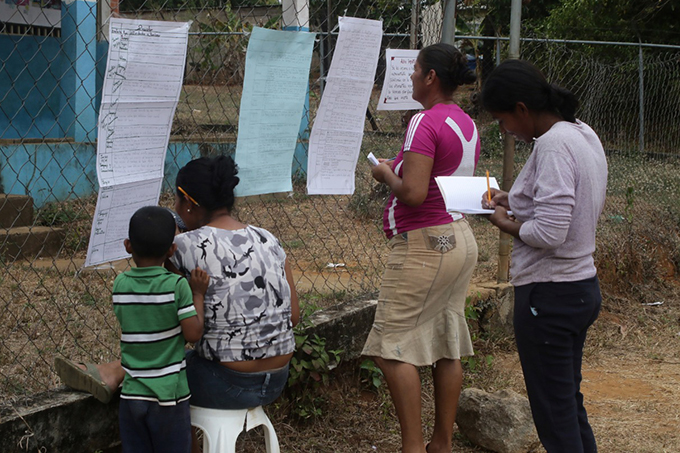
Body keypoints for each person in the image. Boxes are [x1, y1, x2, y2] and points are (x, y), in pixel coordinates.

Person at [55, 155, 300, 450]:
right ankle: (115, 370)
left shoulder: (184, 246)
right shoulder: (268, 239)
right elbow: (294, 317)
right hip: (277, 378)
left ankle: (116, 371)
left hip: (225, 382)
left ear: (187, 202)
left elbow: (159, 304)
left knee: (159, 371)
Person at [480, 59, 607, 453]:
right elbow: (567, 204)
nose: (504, 131)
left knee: (554, 416)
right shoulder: (582, 133)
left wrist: (506, 223)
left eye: (502, 120)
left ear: (522, 109)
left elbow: (551, 232)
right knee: (566, 403)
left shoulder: (551, 145)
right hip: (580, 287)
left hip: (548, 296)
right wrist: (514, 200)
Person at [362, 42, 480, 453]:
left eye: (415, 69)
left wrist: (383, 175)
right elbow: (438, 171)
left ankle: (412, 447)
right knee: (447, 341)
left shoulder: (422, 121)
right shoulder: (464, 122)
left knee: (391, 347)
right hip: (459, 236)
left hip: (424, 245)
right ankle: (440, 444)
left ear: (430, 77)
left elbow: (412, 192)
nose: (410, 76)